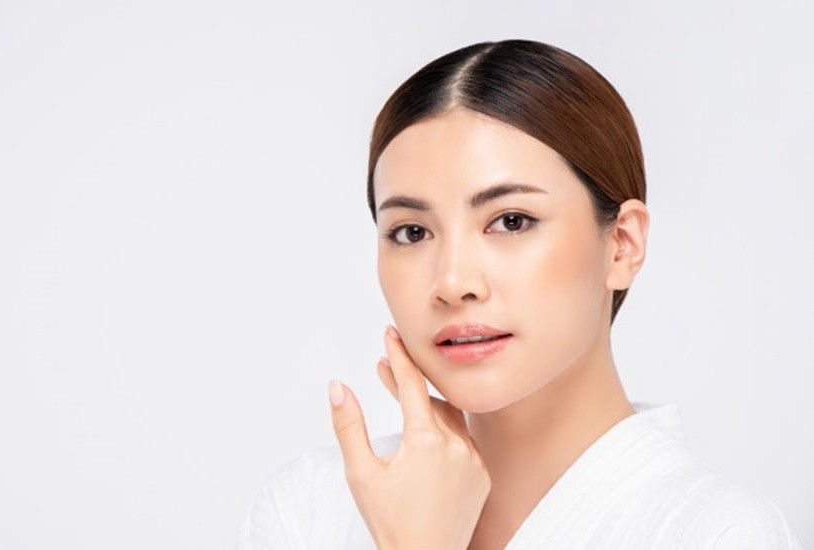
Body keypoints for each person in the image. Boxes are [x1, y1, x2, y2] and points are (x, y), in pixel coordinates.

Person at [238, 39, 804, 549]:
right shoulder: (308, 510)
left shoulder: (717, 533)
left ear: (622, 246)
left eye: (511, 221)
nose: (453, 282)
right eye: (411, 232)